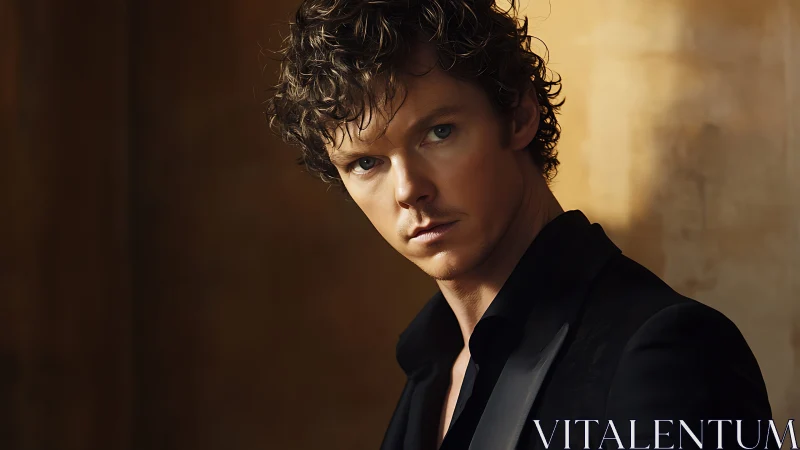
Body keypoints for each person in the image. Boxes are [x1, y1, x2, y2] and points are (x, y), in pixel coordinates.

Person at [264, 0, 775, 449]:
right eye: (365, 163)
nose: (407, 190)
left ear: (520, 114)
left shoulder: (670, 352)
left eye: (438, 132)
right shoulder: (431, 367)